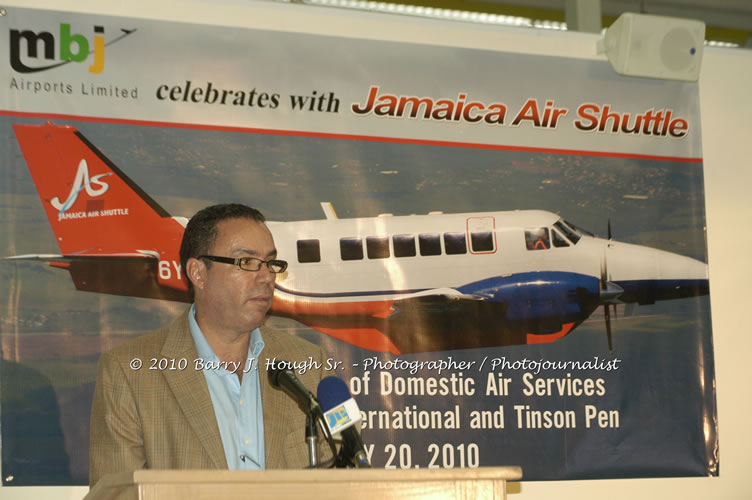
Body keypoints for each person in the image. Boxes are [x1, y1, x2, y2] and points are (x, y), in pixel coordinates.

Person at [89, 204, 327, 487]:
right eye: (247, 262)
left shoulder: (310, 366)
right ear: (198, 273)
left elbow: (345, 481)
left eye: (271, 263)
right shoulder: (129, 374)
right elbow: (117, 494)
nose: (266, 277)